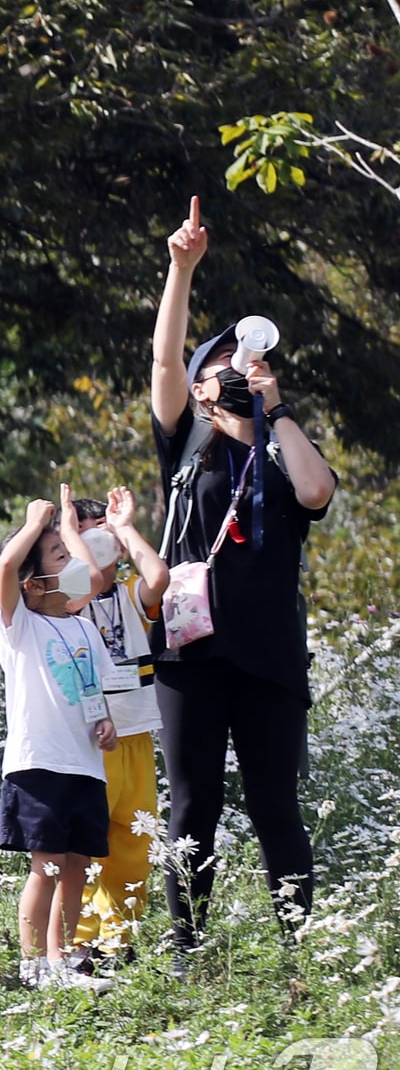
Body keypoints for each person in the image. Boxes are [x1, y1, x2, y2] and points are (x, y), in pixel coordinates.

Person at [151, 197, 336, 971]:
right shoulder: (186, 441)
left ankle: (296, 955)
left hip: (269, 655)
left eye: (243, 361)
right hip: (192, 655)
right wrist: (181, 267)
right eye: (220, 362)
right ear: (199, 387)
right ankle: (189, 948)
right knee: (194, 806)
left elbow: (319, 493)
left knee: (274, 807)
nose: (232, 369)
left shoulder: (281, 445)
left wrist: (275, 407)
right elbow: (164, 361)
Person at [0, 492, 117, 991]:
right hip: (40, 765)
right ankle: (34, 963)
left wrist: (106, 723)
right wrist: (35, 522)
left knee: (77, 865)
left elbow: (94, 691)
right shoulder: (20, 626)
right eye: (60, 556)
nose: (74, 562)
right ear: (34, 585)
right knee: (48, 866)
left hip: (85, 766)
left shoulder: (85, 629)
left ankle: (64, 958)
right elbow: (7, 566)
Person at [66, 488, 168, 966]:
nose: (96, 549)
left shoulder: (129, 595)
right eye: (83, 539)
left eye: (100, 539)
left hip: (136, 734)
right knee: (86, 840)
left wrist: (124, 529)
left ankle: (117, 939)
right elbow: (81, 582)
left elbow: (159, 576)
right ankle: (78, 939)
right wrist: (73, 538)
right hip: (89, 740)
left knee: (133, 840)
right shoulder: (68, 603)